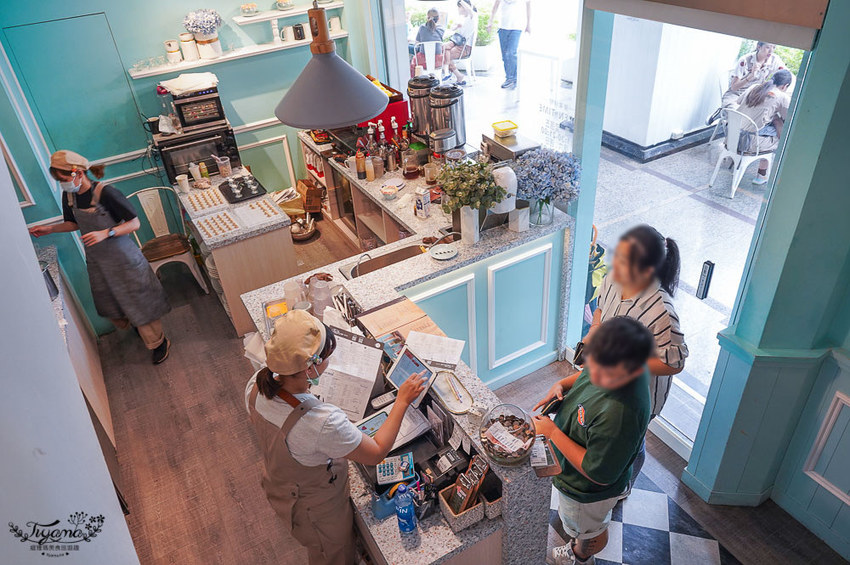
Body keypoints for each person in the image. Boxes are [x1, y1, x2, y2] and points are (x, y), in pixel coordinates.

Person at [245, 310, 426, 565]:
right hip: (319, 512)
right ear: (310, 368)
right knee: (332, 556)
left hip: (283, 487)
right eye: (327, 356)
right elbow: (375, 453)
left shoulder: (255, 384)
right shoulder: (320, 422)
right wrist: (402, 401)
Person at [29, 150, 172, 364]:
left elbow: (134, 223)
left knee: (138, 302)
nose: (63, 184)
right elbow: (74, 223)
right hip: (99, 262)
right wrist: (50, 229)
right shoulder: (69, 195)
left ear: (78, 173)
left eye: (65, 179)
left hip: (124, 259)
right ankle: (138, 325)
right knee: (112, 302)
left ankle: (158, 343)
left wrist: (107, 232)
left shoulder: (106, 193)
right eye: (59, 180)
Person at [533, 317, 654, 565]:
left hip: (587, 491)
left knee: (587, 529)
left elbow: (597, 473)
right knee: (580, 524)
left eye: (601, 369)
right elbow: (584, 375)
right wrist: (561, 383)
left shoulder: (618, 415)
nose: (591, 370)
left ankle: (581, 555)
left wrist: (553, 432)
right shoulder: (611, 362)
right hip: (578, 467)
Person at [581, 224, 688, 484]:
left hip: (640, 394)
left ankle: (622, 485)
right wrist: (594, 332)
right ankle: (600, 471)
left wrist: (627, 363)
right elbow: (599, 309)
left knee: (630, 441)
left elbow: (675, 363)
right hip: (608, 379)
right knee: (606, 432)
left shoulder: (662, 310)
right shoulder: (611, 280)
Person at [735, 69, 793, 185]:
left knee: (773, 121)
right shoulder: (782, 96)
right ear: (785, 86)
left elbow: (738, 101)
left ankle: (754, 172)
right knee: (780, 131)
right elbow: (790, 118)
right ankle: (761, 175)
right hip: (750, 143)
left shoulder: (755, 87)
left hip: (733, 136)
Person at [707, 41, 786, 123]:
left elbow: (786, 74)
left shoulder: (774, 60)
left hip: (754, 95)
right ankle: (723, 112)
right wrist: (751, 76)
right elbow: (734, 87)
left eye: (774, 47)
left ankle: (726, 115)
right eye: (768, 47)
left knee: (765, 115)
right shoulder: (744, 60)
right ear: (758, 46)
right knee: (737, 116)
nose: (771, 51)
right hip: (736, 94)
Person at [488, 0, 531, 89]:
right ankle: (509, 78)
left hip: (516, 27)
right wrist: (490, 21)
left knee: (511, 53)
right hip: (503, 27)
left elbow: (528, 7)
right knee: (504, 55)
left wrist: (528, 24)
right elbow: (495, 7)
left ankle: (513, 78)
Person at [443, 0, 478, 85]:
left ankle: (451, 73)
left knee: (443, 54)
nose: (458, 9)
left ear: (464, 7)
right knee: (442, 48)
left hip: (464, 48)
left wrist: (461, 1)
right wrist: (455, 27)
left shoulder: (472, 17)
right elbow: (453, 31)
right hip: (457, 45)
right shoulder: (463, 19)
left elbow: (470, 10)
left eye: (459, 7)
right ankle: (455, 74)